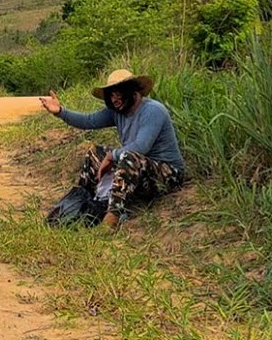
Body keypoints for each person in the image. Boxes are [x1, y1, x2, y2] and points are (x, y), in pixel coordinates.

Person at [38, 68, 187, 229]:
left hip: (167, 175)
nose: (115, 99)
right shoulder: (117, 112)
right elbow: (89, 121)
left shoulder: (153, 110)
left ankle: (112, 218)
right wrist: (61, 112)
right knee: (95, 153)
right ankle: (85, 202)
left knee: (128, 157)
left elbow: (141, 147)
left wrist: (112, 156)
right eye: (111, 95)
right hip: (136, 172)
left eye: (118, 94)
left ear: (132, 91)